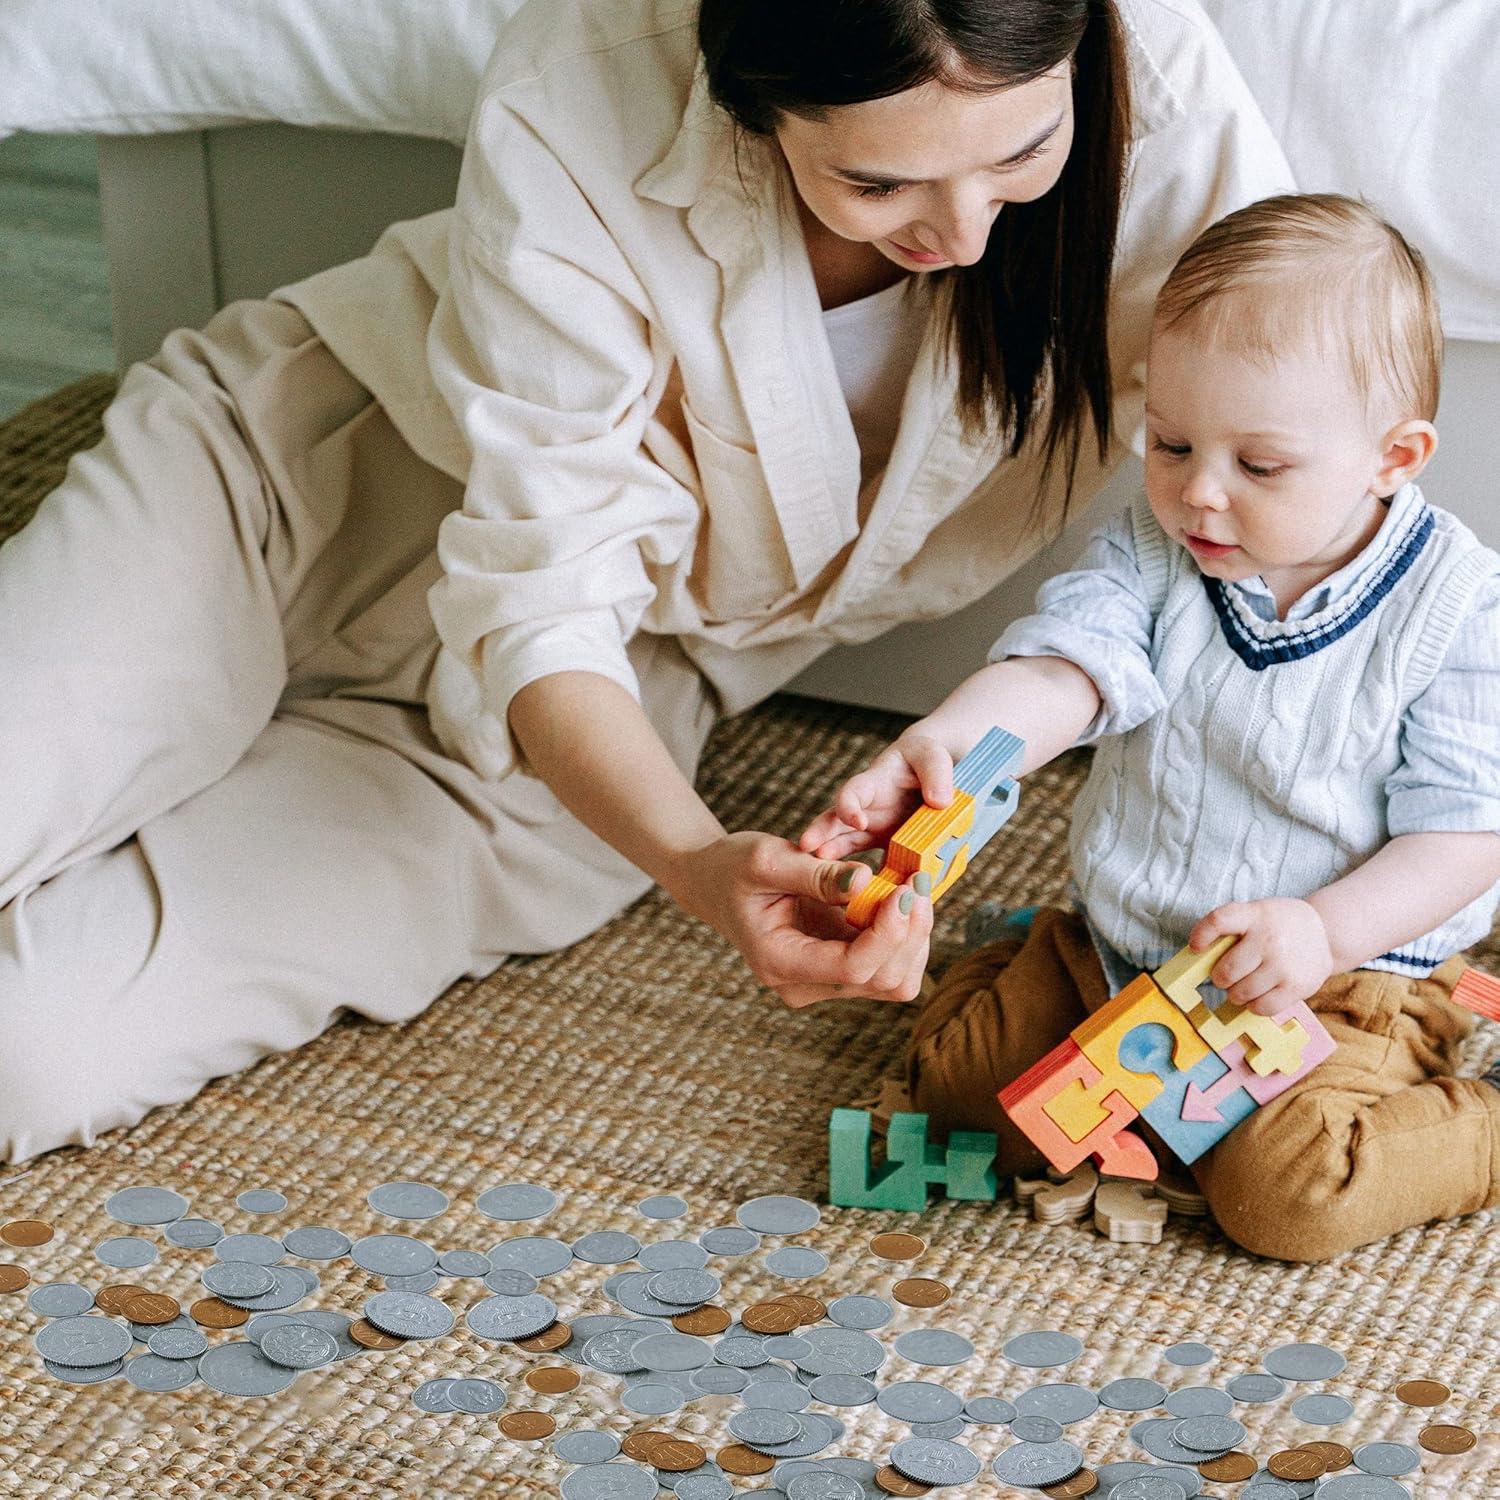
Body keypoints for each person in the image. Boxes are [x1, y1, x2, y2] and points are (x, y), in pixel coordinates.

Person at [0, 0, 1293, 1163]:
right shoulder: (583, 79)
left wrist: (700, 862)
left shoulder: (1165, 109)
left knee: (31, 1056)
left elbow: (1306, 484)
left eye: (1019, 154)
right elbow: (536, 589)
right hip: (299, 489)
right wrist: (692, 858)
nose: (960, 232)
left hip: (596, 705)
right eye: (879, 178)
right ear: (757, 101)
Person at [801, 193, 1500, 1262]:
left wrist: (1324, 933)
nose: (1199, 497)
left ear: (1394, 458)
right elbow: (1067, 668)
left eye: (1258, 467)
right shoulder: (1155, 550)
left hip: (1341, 978)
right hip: (1124, 946)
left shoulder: (1456, 608)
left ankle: (1477, 1132)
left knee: (1285, 1195)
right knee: (960, 1092)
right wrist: (944, 742)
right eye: (1170, 442)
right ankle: (1024, 960)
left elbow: (1465, 835)